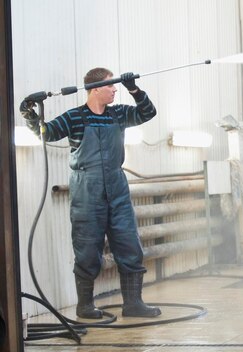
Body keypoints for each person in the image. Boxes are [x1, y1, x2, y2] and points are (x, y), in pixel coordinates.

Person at [19, 68, 161, 319]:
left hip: (117, 188)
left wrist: (134, 90)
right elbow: (48, 132)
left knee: (129, 244)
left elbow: (148, 113)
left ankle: (133, 304)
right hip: (87, 190)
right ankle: (85, 307)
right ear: (95, 89)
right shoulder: (74, 117)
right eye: (111, 85)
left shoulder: (119, 114)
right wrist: (29, 115)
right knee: (87, 248)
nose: (115, 89)